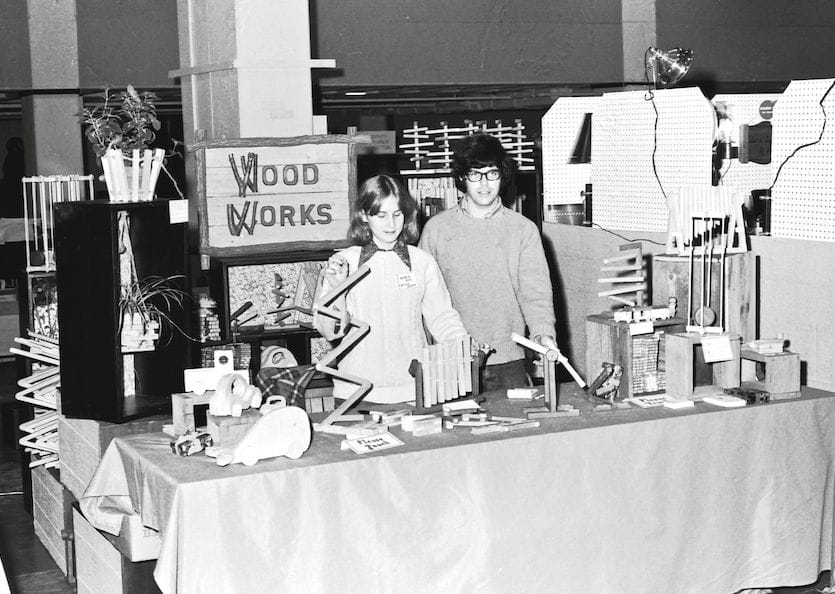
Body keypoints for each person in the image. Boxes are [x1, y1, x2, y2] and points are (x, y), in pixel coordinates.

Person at [419, 132, 559, 391]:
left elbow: (535, 292)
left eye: (491, 173)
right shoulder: (436, 230)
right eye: (475, 174)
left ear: (502, 175)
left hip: (508, 360)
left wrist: (543, 334)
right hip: (451, 357)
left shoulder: (522, 230)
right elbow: (422, 298)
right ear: (462, 177)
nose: (484, 184)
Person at [314, 174, 468, 405]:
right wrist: (337, 291)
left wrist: (463, 347)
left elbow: (442, 317)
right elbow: (329, 331)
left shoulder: (422, 261)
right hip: (355, 394)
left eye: (397, 214)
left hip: (414, 390)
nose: (391, 224)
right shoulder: (343, 263)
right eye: (381, 215)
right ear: (364, 216)